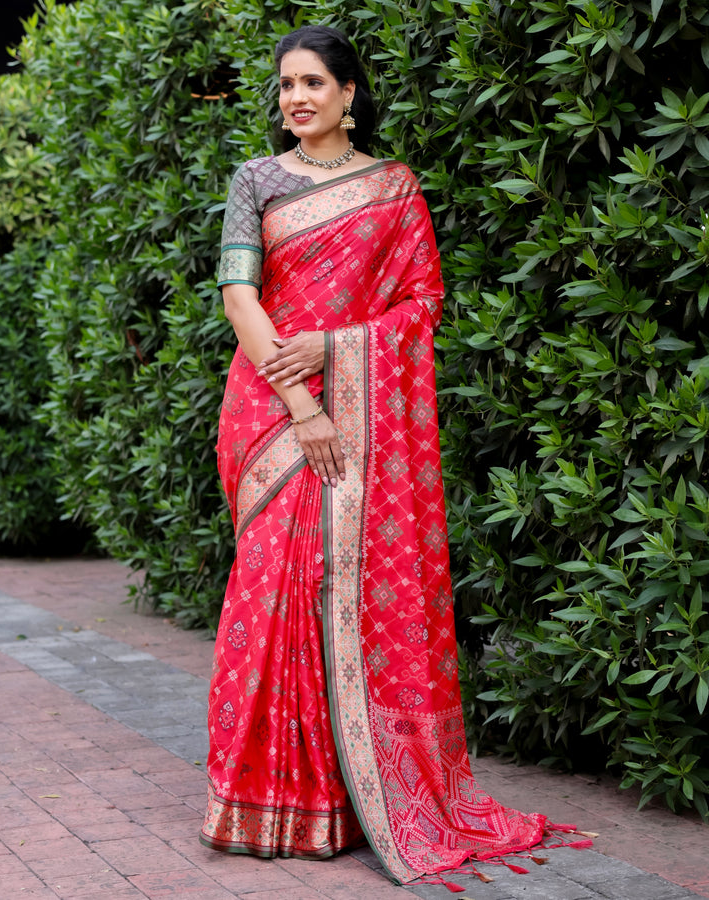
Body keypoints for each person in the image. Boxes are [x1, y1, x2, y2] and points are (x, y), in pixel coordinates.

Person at [200, 24, 590, 887]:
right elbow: (239, 298)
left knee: (347, 592)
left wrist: (337, 346)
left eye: (312, 83)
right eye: (285, 85)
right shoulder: (255, 181)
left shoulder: (394, 188)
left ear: (348, 93)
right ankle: (271, 801)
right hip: (270, 409)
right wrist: (305, 406)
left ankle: (349, 799)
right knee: (273, 593)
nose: (295, 98)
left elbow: (422, 305)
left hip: (362, 410)